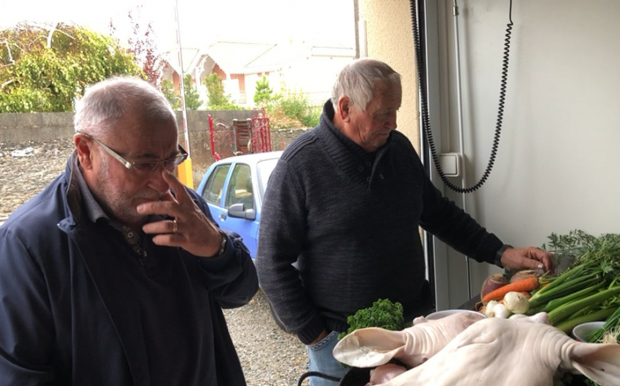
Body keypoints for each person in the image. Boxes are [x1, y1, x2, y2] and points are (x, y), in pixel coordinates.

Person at [256, 58, 554, 385]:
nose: (393, 122)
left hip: (416, 331)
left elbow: (438, 213)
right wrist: (317, 336)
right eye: (383, 112)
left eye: (396, 110)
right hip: (342, 343)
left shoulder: (398, 149)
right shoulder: (299, 166)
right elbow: (271, 263)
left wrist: (501, 252)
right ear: (345, 108)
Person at [0, 76, 258, 385]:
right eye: (144, 163)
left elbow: (241, 293)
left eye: (171, 159)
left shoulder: (185, 207)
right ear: (85, 150)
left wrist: (217, 248)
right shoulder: (27, 245)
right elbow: (20, 374)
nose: (164, 181)